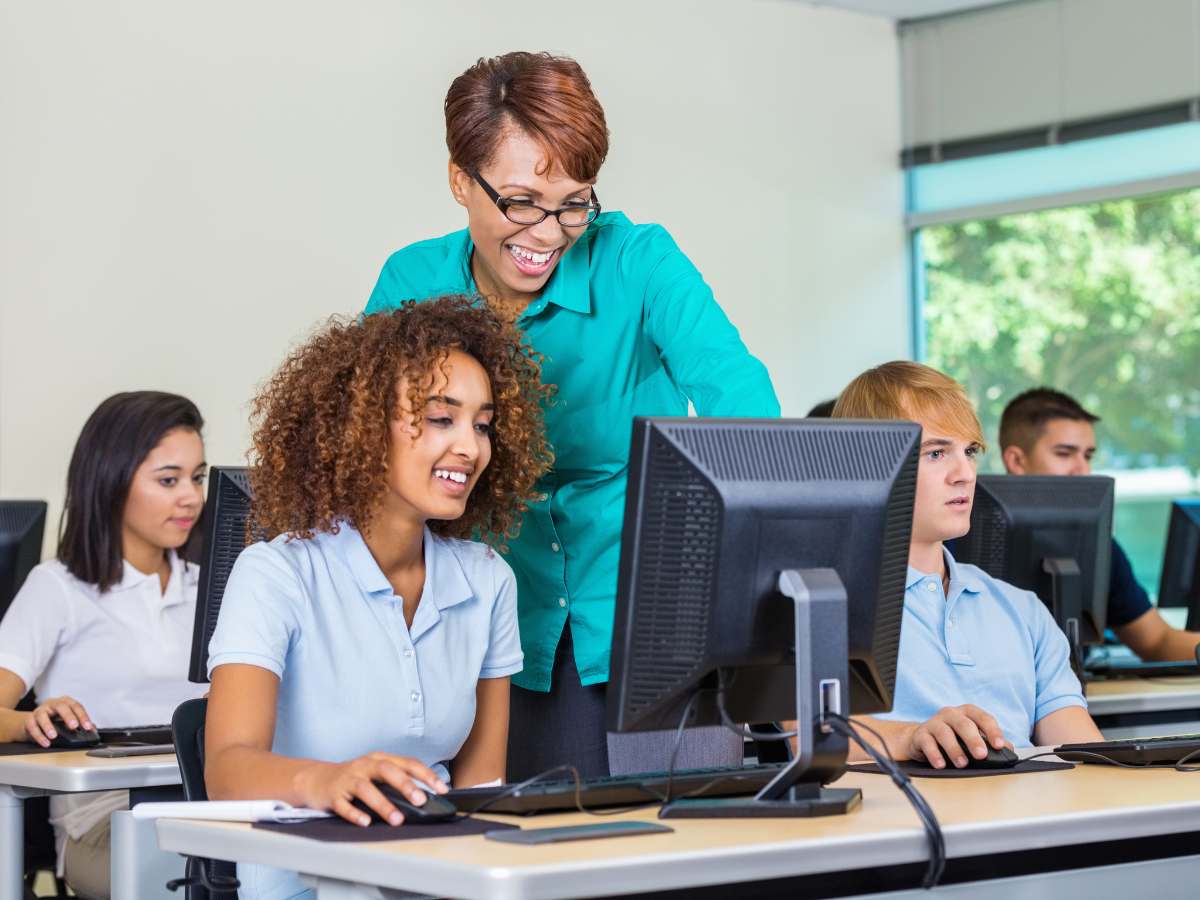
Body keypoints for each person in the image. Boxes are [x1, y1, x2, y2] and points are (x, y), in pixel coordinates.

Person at [365, 52, 779, 779]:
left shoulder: (640, 261)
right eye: (522, 201)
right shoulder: (414, 280)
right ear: (462, 181)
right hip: (484, 624)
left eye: (575, 202)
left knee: (692, 857)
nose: (550, 234)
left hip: (655, 619)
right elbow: (372, 453)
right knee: (527, 862)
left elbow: (738, 398)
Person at [203, 297, 552, 900]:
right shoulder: (275, 573)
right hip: (304, 886)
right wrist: (331, 781)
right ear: (363, 428)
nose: (470, 447)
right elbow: (228, 768)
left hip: (434, 879)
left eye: (482, 424)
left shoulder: (489, 580)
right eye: (442, 418)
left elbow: (479, 786)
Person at [831, 363, 1103, 766]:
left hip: (1025, 822)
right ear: (868, 464)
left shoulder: (1021, 609)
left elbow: (1083, 751)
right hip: (901, 824)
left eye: (970, 451)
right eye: (937, 453)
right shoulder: (820, 605)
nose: (965, 475)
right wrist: (912, 736)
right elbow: (807, 737)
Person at [0, 392, 209, 899]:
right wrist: (32, 721)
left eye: (198, 478)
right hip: (105, 823)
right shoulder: (60, 588)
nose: (191, 498)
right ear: (113, 483)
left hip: (206, 808)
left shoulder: (212, 587)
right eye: (168, 480)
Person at [999, 387, 1200, 662]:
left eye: (1088, 455)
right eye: (1065, 453)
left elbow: (1157, 640)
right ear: (1016, 461)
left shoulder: (1097, 546)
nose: (1082, 469)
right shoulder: (958, 540)